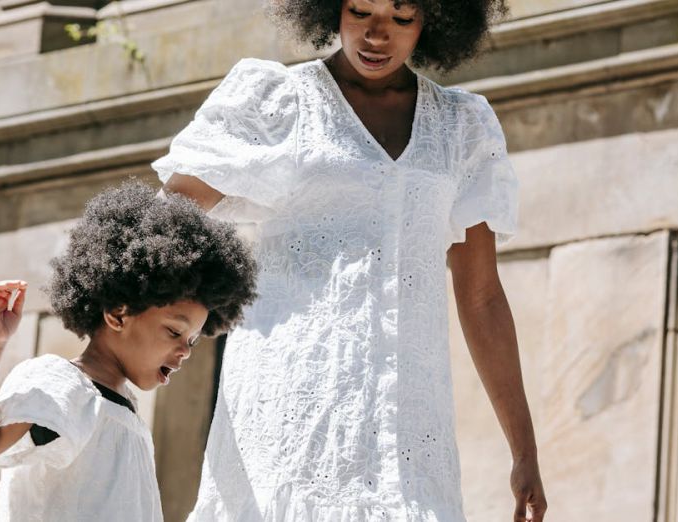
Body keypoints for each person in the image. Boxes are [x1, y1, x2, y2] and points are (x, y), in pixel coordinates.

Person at [154, 0, 547, 520]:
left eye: (401, 18)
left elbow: (481, 295)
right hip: (288, 405)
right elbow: (166, 226)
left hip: (410, 425)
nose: (376, 35)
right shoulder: (279, 101)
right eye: (360, 10)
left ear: (435, 19)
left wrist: (524, 449)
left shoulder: (463, 127)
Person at [0, 182, 258, 521]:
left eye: (192, 341)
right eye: (174, 331)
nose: (184, 351)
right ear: (118, 314)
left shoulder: (128, 416)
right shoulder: (63, 385)